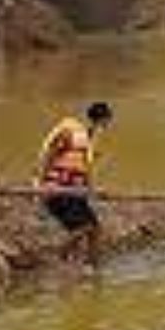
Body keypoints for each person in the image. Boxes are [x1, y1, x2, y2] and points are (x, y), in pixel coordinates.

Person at [37, 101, 114, 268]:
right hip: (59, 188)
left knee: (96, 230)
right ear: (102, 120)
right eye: (107, 121)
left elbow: (84, 169)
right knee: (81, 229)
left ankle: (93, 267)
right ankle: (60, 256)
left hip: (74, 191)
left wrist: (90, 189)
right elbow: (51, 153)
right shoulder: (73, 133)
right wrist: (42, 183)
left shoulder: (89, 138)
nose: (107, 125)